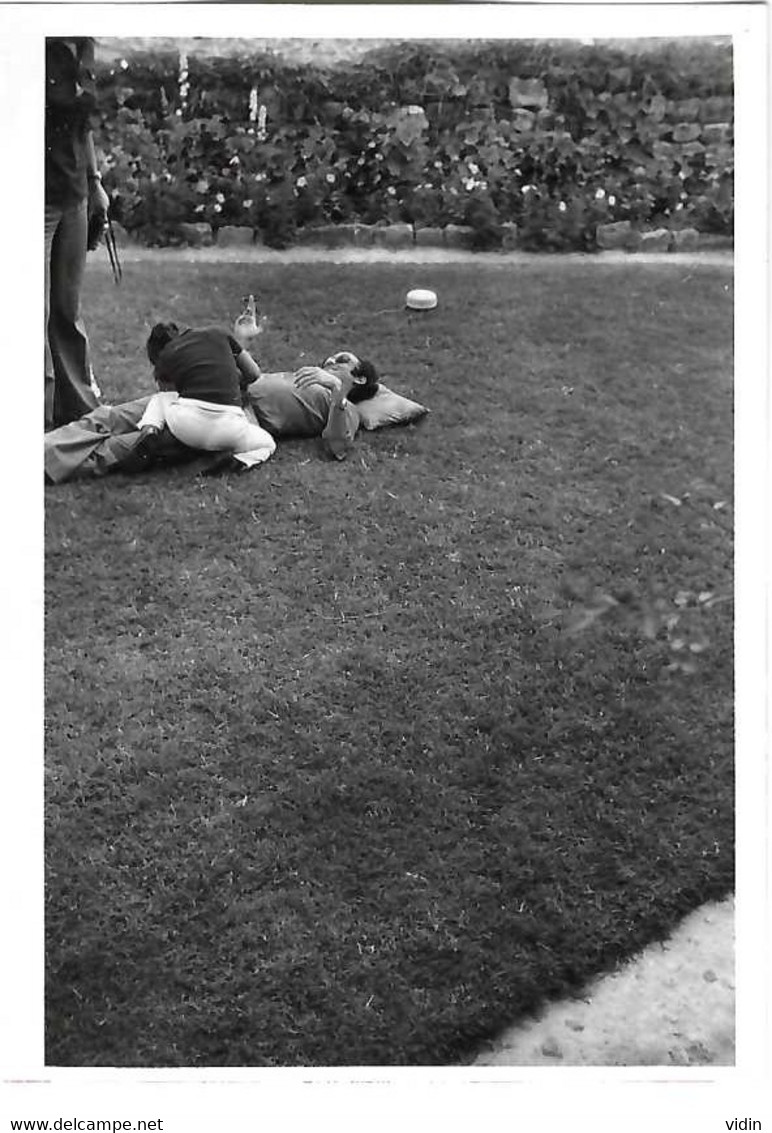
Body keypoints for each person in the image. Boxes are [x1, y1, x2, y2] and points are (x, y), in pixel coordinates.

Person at [44, 347, 380, 483]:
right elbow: (256, 379)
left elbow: (336, 445)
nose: (330, 360)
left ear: (359, 376)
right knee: (111, 415)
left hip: (229, 418)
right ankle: (43, 447)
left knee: (121, 447)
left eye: (342, 359)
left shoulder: (346, 407)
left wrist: (337, 389)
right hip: (208, 390)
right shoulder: (301, 377)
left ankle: (40, 466)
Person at [45, 37, 110, 429]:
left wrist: (96, 180)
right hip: (34, 196)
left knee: (67, 308)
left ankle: (77, 406)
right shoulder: (29, 41)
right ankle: (33, 407)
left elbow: (83, 125)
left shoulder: (85, 48)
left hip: (75, 195)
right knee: (30, 312)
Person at [135, 322, 276, 471]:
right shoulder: (218, 332)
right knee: (267, 444)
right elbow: (254, 373)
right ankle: (239, 460)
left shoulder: (167, 355)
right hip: (230, 429)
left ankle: (149, 430)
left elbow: (169, 391)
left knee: (160, 398)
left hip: (188, 429)